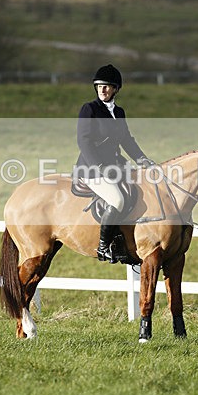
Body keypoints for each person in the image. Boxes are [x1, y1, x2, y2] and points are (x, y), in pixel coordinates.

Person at [74, 64, 156, 263]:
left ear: (115, 89)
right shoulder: (89, 109)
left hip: (116, 166)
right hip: (92, 169)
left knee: (142, 189)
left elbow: (126, 139)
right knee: (117, 200)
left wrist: (142, 158)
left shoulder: (119, 112)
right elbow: (83, 141)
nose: (102, 89)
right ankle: (103, 246)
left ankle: (127, 241)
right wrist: (99, 167)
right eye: (99, 86)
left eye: (107, 86)